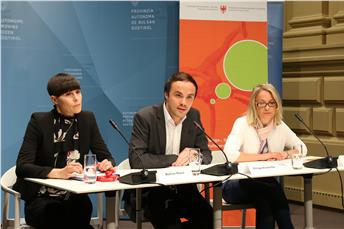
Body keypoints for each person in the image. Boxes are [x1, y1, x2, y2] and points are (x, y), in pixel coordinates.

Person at [13, 72, 115, 229]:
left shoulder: (87, 119)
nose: (76, 98)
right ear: (54, 100)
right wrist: (57, 172)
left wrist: (107, 163)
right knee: (57, 213)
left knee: (81, 207)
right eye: (69, 94)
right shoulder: (39, 122)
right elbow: (22, 166)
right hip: (42, 200)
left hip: (74, 197)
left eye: (78, 92)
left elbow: (106, 156)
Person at [125, 72, 213, 229]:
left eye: (189, 97)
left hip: (184, 189)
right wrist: (176, 158)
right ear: (166, 95)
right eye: (178, 95)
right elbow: (137, 160)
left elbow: (207, 155)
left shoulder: (194, 116)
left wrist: (194, 155)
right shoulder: (145, 117)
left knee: (208, 217)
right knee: (171, 224)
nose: (184, 103)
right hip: (152, 191)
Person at [222, 83, 307, 229]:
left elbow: (302, 148)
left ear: (277, 106)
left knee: (265, 200)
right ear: (254, 105)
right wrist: (266, 156)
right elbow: (230, 155)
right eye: (262, 103)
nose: (267, 108)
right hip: (236, 185)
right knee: (271, 190)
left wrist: (285, 154)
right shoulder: (242, 124)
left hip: (263, 187)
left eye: (271, 103)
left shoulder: (279, 126)